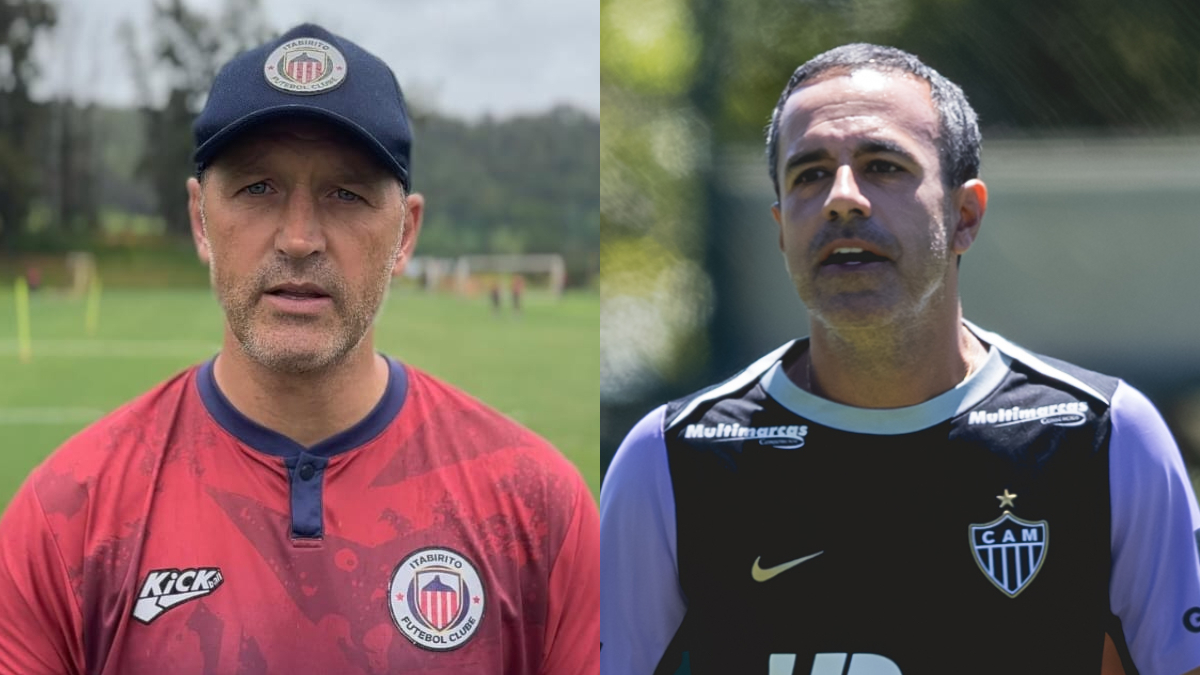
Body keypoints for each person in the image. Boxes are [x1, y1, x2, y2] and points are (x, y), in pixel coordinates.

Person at [0, 24, 598, 675]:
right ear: (201, 219)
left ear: (405, 234)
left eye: (346, 194)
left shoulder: (540, 509)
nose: (299, 237)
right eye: (258, 188)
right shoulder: (66, 517)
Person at [600, 43, 1200, 675]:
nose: (842, 199)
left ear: (964, 216)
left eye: (882, 166)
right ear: (781, 229)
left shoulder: (1103, 437)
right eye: (808, 174)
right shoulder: (673, 459)